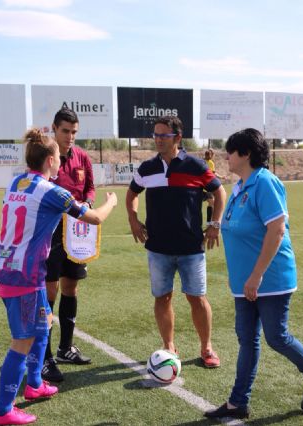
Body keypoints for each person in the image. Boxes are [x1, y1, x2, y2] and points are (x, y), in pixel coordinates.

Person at [0, 129, 117, 425]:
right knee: (22, 340)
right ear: (50, 160)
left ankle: (35, 384)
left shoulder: (17, 182)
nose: (62, 162)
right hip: (24, 274)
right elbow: (95, 218)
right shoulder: (52, 191)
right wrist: (110, 201)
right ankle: (3, 410)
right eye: (59, 157)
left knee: (45, 320)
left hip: (9, 267)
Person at [205, 128, 303, 420]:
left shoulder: (265, 183)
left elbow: (276, 230)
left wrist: (256, 275)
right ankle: (238, 403)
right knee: (247, 339)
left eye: (231, 152)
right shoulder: (239, 187)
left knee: (276, 336)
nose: (226, 157)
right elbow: (237, 226)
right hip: (243, 281)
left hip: (269, 278)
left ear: (245, 154)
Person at [126, 115, 226, 368]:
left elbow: (219, 191)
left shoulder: (195, 165)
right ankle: (169, 345)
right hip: (158, 247)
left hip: (191, 247)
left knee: (198, 298)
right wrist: (133, 220)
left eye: (164, 135)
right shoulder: (147, 168)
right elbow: (131, 194)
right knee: (163, 298)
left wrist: (214, 225)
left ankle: (206, 348)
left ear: (177, 138)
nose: (158, 139)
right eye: (156, 135)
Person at [41, 107, 96, 384]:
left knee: (71, 287)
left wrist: (87, 202)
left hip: (77, 233)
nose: (71, 136)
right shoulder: (46, 158)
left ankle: (65, 349)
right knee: (49, 293)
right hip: (50, 233)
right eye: (65, 131)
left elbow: (90, 189)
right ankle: (45, 357)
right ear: (54, 129)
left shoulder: (82, 156)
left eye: (74, 132)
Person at [203, 149, 226, 224]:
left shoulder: (201, 161)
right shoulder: (211, 163)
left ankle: (208, 222)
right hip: (207, 187)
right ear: (211, 155)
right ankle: (209, 222)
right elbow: (213, 175)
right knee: (212, 203)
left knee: (210, 202)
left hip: (199, 187)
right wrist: (221, 177)